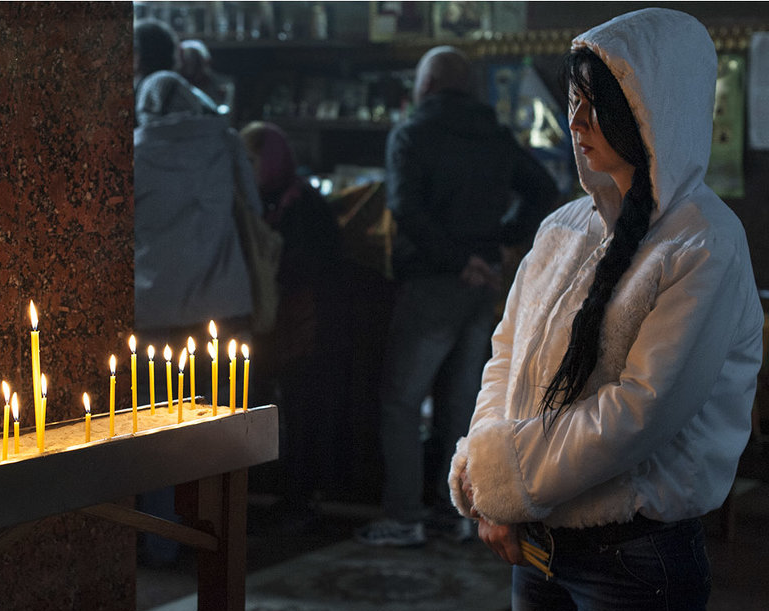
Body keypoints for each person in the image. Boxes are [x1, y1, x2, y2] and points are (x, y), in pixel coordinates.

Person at [447, 9, 763, 611]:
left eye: (601, 104)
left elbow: (639, 410)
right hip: (540, 547)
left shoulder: (704, 243)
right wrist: (484, 473)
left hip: (634, 558)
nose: (577, 120)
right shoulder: (562, 228)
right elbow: (505, 358)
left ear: (655, 112)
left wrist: (502, 484)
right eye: (575, 99)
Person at [355, 46, 558, 547]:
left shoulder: (412, 133)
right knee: (460, 405)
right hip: (482, 283)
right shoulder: (493, 133)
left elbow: (404, 207)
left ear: (424, 86)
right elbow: (544, 188)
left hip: (433, 282)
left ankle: (404, 516)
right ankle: (457, 515)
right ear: (467, 87)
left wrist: (453, 260)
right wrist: (499, 243)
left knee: (402, 402)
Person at [133, 68, 263, 565]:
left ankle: (163, 545)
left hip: (155, 311)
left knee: (159, 433)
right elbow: (253, 206)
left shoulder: (137, 152)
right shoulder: (224, 143)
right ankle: (224, 540)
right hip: (223, 307)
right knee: (225, 431)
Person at [240, 121, 347, 532]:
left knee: (302, 413)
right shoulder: (256, 203)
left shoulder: (303, 205)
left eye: (253, 160)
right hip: (269, 324)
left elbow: (322, 264)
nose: (248, 168)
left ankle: (299, 500)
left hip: (304, 324)